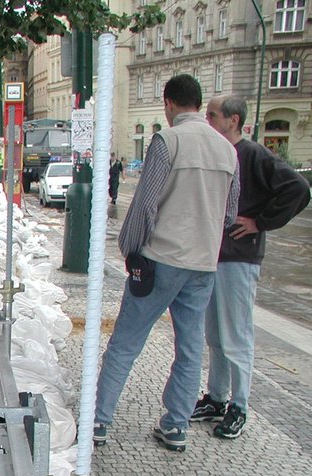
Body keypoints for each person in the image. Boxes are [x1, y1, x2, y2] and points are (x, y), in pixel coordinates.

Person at [92, 74, 240, 452]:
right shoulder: (228, 151)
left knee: (126, 343)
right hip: (203, 265)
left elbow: (145, 203)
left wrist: (130, 249)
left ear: (169, 103)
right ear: (199, 103)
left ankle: (99, 422)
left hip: (161, 259)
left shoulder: (167, 140)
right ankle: (176, 427)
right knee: (190, 348)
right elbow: (230, 213)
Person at [191, 94, 311, 438]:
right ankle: (217, 396)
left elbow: (297, 188)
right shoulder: (219, 152)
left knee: (236, 335)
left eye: (213, 116)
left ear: (233, 120)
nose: (208, 121)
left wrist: (261, 222)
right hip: (213, 255)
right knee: (215, 333)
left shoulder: (254, 155)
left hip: (238, 258)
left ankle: (239, 405)